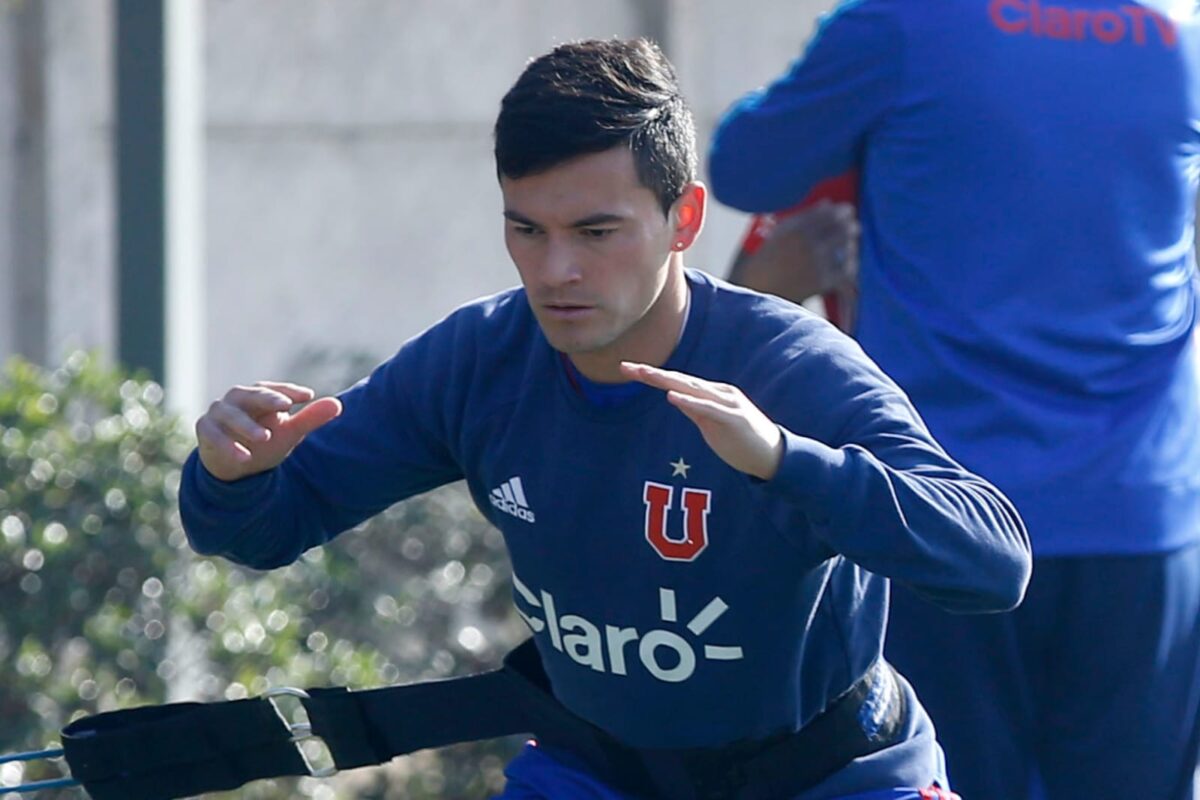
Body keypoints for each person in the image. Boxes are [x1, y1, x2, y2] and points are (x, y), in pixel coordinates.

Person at [180, 37, 1030, 800]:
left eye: (595, 233)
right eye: (527, 229)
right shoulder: (480, 361)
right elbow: (263, 529)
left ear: (683, 219)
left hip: (833, 775)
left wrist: (785, 461)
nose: (556, 270)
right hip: (597, 772)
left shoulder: (790, 368)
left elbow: (994, 561)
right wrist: (232, 474)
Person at [707, 2, 1200, 798]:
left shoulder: (900, 24)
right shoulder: (1178, 37)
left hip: (943, 519)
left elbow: (742, 168)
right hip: (1140, 515)